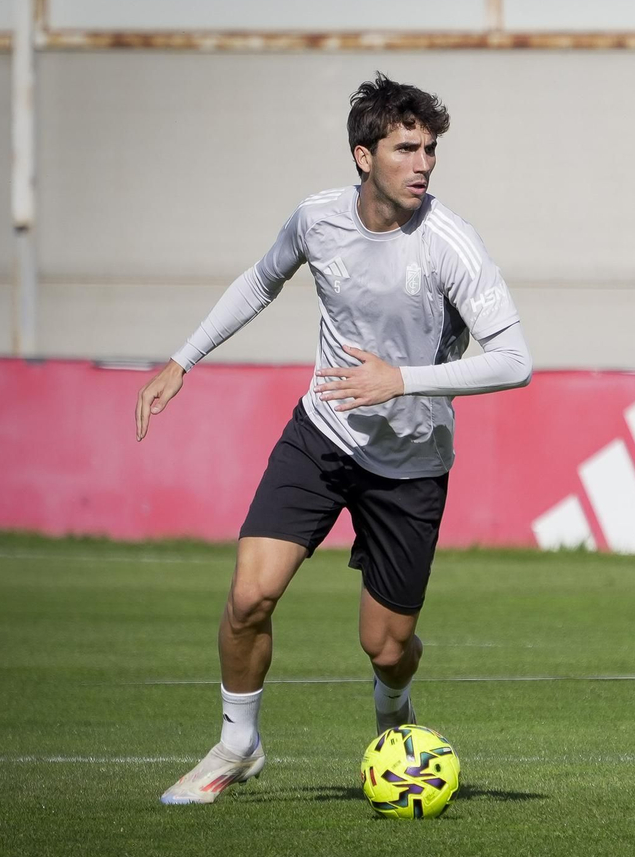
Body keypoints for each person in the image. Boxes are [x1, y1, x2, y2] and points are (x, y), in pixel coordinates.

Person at [135, 74, 533, 805]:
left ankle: (392, 710)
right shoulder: (316, 220)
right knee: (249, 596)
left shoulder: (451, 244)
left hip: (411, 466)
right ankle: (237, 744)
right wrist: (182, 359)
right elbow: (260, 282)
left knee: (385, 647)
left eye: (430, 148)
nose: (423, 163)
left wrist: (402, 381)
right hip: (320, 437)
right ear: (363, 154)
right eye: (405, 147)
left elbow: (516, 361)